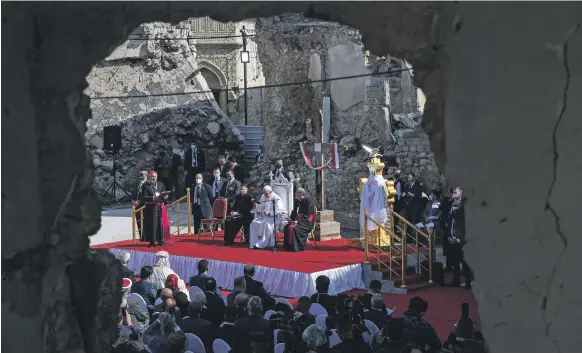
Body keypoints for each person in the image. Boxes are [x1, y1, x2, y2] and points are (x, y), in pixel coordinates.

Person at [447, 187, 473, 288]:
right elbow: (450, 218)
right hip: (452, 235)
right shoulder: (452, 203)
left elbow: (465, 223)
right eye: (453, 192)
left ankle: (468, 282)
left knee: (465, 262)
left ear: (461, 192)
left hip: (462, 238)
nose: (453, 194)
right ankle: (456, 280)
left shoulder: (466, 204)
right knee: (455, 261)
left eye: (455, 192)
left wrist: (459, 239)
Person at [140, 171, 170, 247]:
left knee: (160, 224)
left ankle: (161, 240)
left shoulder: (160, 184)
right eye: (152, 176)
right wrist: (153, 198)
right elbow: (144, 198)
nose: (154, 178)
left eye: (155, 176)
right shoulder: (145, 186)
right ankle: (152, 241)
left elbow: (164, 193)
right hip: (151, 208)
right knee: (152, 225)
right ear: (149, 177)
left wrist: (166, 197)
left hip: (160, 207)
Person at [133, 169, 149, 239]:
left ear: (146, 175)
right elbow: (134, 192)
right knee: (138, 221)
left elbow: (145, 195)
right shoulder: (138, 183)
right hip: (137, 205)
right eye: (140, 174)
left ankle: (145, 237)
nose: (140, 176)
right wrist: (133, 200)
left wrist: (139, 201)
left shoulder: (148, 183)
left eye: (142, 174)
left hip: (143, 205)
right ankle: (141, 237)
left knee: (144, 222)